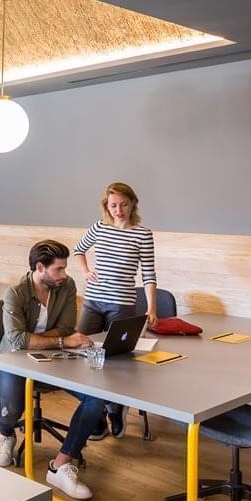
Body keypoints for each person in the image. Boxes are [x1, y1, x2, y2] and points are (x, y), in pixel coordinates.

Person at [0, 240, 104, 500]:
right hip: (14, 358)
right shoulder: (15, 293)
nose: (65, 274)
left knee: (96, 396)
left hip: (55, 356)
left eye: (64, 269)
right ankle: (6, 434)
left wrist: (45, 339)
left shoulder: (66, 286)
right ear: (40, 267)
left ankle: (62, 464)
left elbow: (66, 326)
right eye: (59, 269)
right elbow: (18, 341)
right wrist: (61, 340)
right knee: (12, 411)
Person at [71, 181, 157, 439]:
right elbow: (78, 250)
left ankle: (114, 408)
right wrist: (85, 271)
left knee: (115, 360)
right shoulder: (99, 228)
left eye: (123, 204)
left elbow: (149, 274)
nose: (118, 210)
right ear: (106, 207)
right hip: (93, 301)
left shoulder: (143, 234)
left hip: (122, 305)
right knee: (83, 353)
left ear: (133, 204)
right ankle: (93, 412)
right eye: (113, 205)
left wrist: (152, 307)